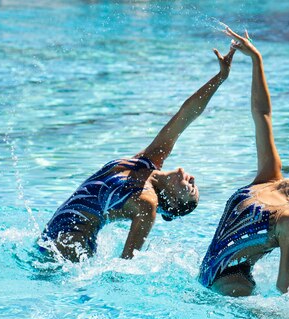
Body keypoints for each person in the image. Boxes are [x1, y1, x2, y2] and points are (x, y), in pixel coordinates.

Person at [39, 46, 236, 262]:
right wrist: (220, 77)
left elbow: (127, 262)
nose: (194, 180)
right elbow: (186, 115)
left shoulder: (147, 202)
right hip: (48, 238)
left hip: (70, 248)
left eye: (192, 190)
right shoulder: (149, 161)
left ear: (173, 202)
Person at [199, 28, 289, 296]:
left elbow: (285, 288)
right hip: (207, 280)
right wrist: (255, 60)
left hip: (233, 286)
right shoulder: (268, 177)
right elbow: (262, 113)